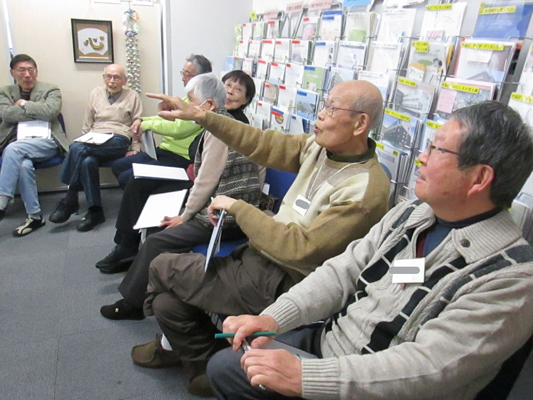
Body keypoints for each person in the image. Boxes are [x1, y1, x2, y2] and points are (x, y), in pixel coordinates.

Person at [207, 101, 533, 400]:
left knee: (234, 370)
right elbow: (342, 272)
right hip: (332, 343)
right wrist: (272, 318)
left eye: (436, 149)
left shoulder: (511, 278)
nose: (421, 157)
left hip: (373, 385)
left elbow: (430, 367)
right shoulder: (412, 214)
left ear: (478, 177)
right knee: (227, 366)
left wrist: (306, 377)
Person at [129, 80, 390, 397]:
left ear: (360, 123)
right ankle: (204, 367)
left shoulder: (365, 189)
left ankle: (176, 347)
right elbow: (260, 142)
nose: (320, 115)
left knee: (161, 266)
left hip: (286, 279)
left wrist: (238, 208)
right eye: (324, 105)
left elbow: (300, 249)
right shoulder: (321, 149)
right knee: (167, 303)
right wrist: (203, 117)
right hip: (258, 257)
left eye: (332, 108)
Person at [95, 70, 257, 274]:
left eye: (238, 89)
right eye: (228, 86)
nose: (230, 92)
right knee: (137, 181)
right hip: (191, 174)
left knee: (139, 184)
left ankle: (128, 247)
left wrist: (186, 215)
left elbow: (209, 178)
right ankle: (127, 245)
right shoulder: (213, 116)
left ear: (246, 99)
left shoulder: (230, 124)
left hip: (202, 186)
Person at [48, 64, 142, 232]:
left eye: (116, 77)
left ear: (125, 80)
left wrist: (135, 146)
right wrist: (84, 139)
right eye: (108, 77)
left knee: (77, 148)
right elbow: (88, 122)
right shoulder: (95, 93)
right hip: (94, 139)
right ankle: (95, 211)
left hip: (118, 139)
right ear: (103, 78)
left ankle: (70, 197)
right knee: (86, 160)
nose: (112, 81)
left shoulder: (132, 95)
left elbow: (138, 122)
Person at [111, 54, 213, 189]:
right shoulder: (187, 99)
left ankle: (141, 198)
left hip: (179, 158)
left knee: (128, 178)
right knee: (118, 166)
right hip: (163, 151)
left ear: (201, 78)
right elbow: (166, 117)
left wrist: (145, 125)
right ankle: (139, 197)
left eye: (187, 74)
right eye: (183, 73)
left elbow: (177, 128)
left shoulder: (203, 105)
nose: (183, 78)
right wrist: (142, 120)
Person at [0, 54, 69, 236]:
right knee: (23, 165)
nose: (27, 74)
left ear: (36, 72)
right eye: (22, 70)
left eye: (31, 70)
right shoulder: (4, 92)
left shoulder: (51, 89)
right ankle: (35, 216)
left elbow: (50, 112)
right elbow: (6, 115)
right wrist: (36, 109)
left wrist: (22, 104)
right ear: (13, 73)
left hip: (46, 142)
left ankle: (2, 202)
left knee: (14, 150)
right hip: (16, 142)